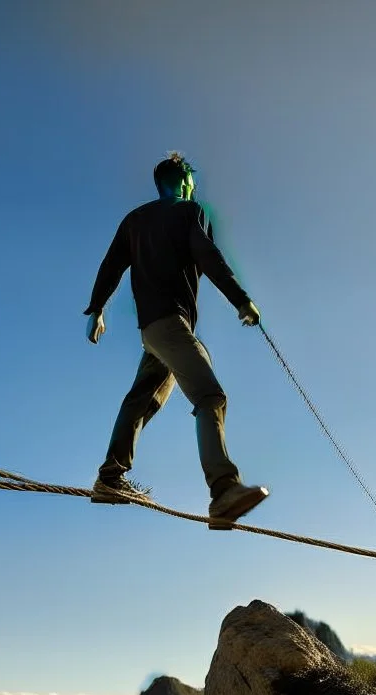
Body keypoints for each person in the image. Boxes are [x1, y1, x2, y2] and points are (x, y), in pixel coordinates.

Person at [83, 151, 269, 530]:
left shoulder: (134, 220)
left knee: (142, 400)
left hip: (152, 332)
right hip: (170, 326)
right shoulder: (188, 211)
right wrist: (240, 299)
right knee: (210, 396)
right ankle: (223, 491)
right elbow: (208, 255)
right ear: (185, 180)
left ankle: (110, 478)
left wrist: (96, 309)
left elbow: (111, 266)